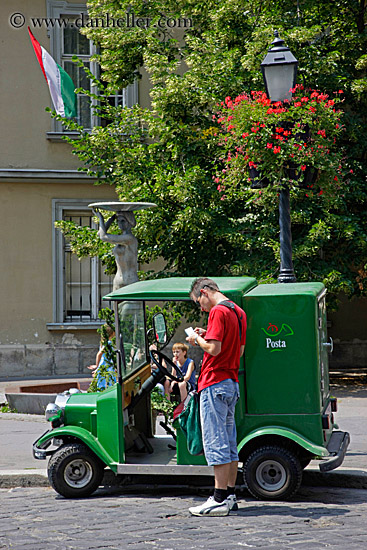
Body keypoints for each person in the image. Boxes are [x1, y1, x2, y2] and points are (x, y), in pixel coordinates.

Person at [186, 277, 247, 517]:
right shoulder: (238, 311)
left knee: (216, 441)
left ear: (204, 292)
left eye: (198, 302)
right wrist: (208, 334)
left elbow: (213, 349)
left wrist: (196, 339)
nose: (201, 307)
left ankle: (218, 498)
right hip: (231, 382)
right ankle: (230, 495)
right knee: (230, 442)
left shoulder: (218, 312)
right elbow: (239, 350)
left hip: (214, 383)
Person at [88, 325, 117, 390]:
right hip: (106, 366)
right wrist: (97, 366)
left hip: (107, 365)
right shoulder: (108, 343)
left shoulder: (104, 343)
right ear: (112, 333)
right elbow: (99, 354)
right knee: (108, 383)